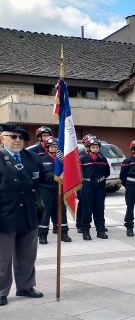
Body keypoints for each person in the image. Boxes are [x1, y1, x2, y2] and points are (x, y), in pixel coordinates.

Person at [0, 124, 45, 306]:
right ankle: (1, 291)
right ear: (2, 138)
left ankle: (25, 286)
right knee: (2, 258)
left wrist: (61, 174)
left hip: (29, 214)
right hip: (4, 215)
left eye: (21, 138)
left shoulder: (33, 158)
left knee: (27, 255)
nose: (17, 140)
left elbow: (44, 177)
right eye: (13, 137)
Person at [37, 137, 71, 244]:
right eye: (51, 147)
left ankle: (64, 233)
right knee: (46, 212)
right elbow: (41, 175)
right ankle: (43, 235)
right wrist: (55, 175)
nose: (54, 148)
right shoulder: (42, 160)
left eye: (56, 147)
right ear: (47, 148)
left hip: (60, 188)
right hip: (46, 189)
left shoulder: (64, 160)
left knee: (61, 212)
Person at [80, 137, 110, 240]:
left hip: (100, 187)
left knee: (100, 209)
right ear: (88, 148)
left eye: (97, 147)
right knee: (87, 209)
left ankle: (100, 231)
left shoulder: (103, 159)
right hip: (87, 186)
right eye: (93, 147)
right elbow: (78, 173)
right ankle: (85, 231)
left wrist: (99, 180)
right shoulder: (83, 159)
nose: (95, 149)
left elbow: (107, 172)